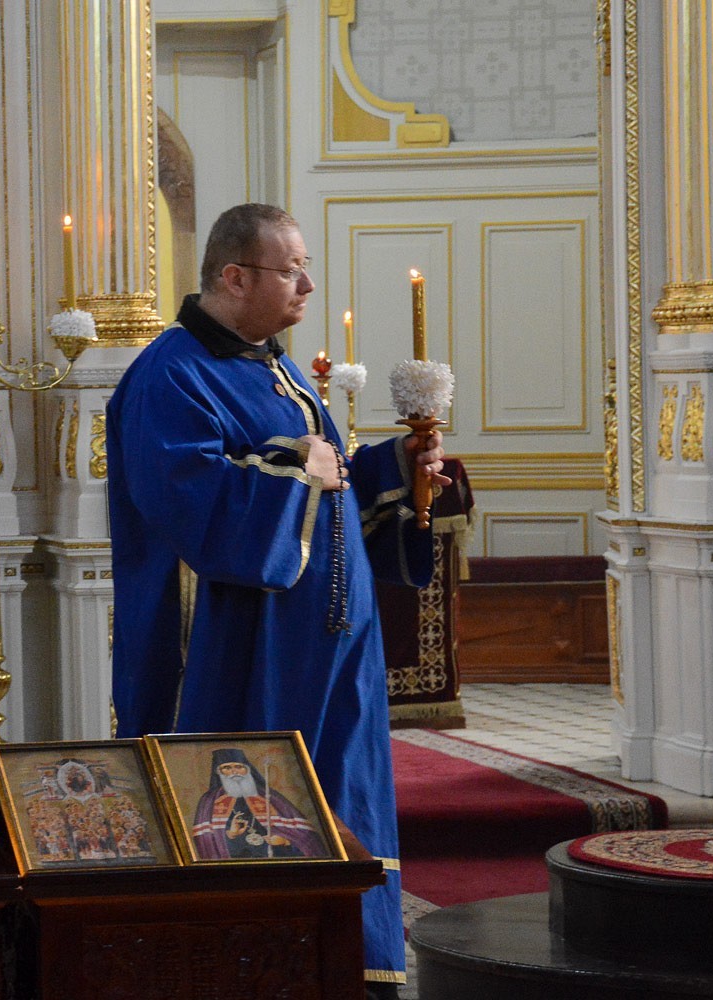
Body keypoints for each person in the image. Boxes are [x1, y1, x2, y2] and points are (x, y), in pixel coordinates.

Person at [106, 203, 449, 1000]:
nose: (308, 284)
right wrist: (296, 467)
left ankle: (352, 965)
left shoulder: (275, 368)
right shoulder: (170, 374)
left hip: (328, 651)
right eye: (292, 269)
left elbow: (330, 487)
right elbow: (189, 500)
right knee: (252, 814)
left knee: (340, 799)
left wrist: (397, 467)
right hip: (238, 654)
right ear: (235, 276)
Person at [191, 748, 326, 860]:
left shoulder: (270, 797)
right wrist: (230, 835)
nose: (234, 771)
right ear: (219, 772)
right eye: (227, 768)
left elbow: (305, 835)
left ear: (247, 770)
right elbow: (205, 841)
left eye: (239, 766)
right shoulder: (209, 801)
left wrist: (285, 841)